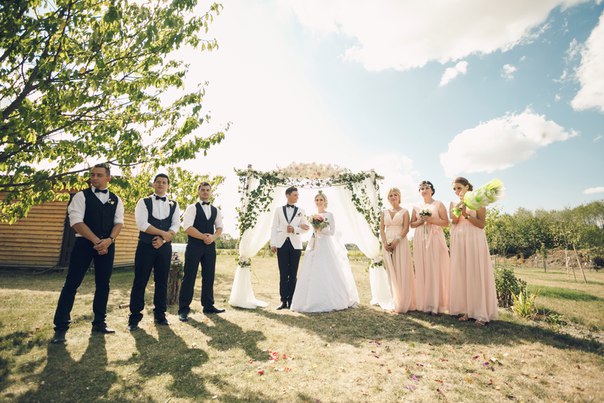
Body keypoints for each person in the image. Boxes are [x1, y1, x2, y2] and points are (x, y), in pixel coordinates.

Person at [51, 163, 124, 343]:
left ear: (108, 178)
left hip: (107, 245)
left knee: (103, 284)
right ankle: (61, 327)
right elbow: (76, 222)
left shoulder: (116, 199)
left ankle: (99, 322)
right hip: (84, 244)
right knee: (72, 283)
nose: (95, 178)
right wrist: (96, 241)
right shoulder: (80, 196)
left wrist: (109, 240)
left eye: (99, 175)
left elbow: (119, 223)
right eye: (93, 175)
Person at [290, 191, 359, 313]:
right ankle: (309, 299)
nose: (319, 202)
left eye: (321, 200)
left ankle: (332, 298)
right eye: (317, 200)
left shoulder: (329, 215)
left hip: (325, 243)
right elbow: (310, 229)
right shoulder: (312, 215)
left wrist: (321, 229)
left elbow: (332, 232)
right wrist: (313, 229)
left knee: (327, 268)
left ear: (325, 201)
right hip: (314, 242)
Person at [127, 174, 180, 331]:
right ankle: (134, 317)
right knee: (140, 281)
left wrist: (163, 239)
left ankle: (160, 315)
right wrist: (163, 234)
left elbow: (176, 225)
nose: (161, 184)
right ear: (154, 184)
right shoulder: (143, 202)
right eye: (158, 182)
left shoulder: (174, 204)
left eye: (164, 182)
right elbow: (142, 224)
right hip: (145, 247)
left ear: (168, 186)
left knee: (162, 281)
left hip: (164, 248)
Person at [449, 177, 498, 326]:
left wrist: (466, 215)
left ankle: (481, 313)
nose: (457, 191)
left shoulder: (479, 201)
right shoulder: (453, 203)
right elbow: (454, 221)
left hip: (474, 240)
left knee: (476, 273)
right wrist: (458, 210)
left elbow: (481, 224)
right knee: (463, 274)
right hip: (459, 240)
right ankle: (468, 311)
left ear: (467, 186)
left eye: (459, 188)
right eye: (454, 189)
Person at [178, 182, 225, 321]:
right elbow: (187, 227)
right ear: (198, 192)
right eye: (203, 190)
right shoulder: (192, 208)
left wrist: (213, 237)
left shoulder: (216, 210)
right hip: (194, 246)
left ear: (211, 192)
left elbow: (219, 228)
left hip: (210, 247)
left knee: (209, 276)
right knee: (189, 277)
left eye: (208, 190)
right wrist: (203, 237)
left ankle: (208, 306)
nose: (205, 192)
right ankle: (183, 309)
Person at [410, 180, 450, 315]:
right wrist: (421, 220)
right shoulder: (416, 206)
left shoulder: (439, 204)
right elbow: (412, 224)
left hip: (435, 237)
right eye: (421, 188)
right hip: (420, 238)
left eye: (426, 188)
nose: (424, 190)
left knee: (434, 268)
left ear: (432, 190)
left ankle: (436, 305)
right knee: (422, 268)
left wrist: (430, 220)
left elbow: (446, 222)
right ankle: (424, 303)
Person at [270, 186, 310, 309]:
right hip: (281, 244)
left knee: (293, 274)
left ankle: (292, 300)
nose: (297, 197)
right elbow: (274, 227)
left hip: (295, 245)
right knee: (283, 274)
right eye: (295, 195)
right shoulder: (278, 210)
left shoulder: (301, 211)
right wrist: (273, 243)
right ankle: (283, 301)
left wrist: (294, 229)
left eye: (297, 195)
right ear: (287, 195)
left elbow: (306, 228)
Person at [380, 188, 416, 313]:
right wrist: (385, 243)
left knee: (401, 270)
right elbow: (382, 229)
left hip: (400, 242)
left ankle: (403, 302)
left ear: (399, 197)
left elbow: (406, 229)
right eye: (390, 195)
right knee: (391, 271)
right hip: (387, 243)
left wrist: (396, 241)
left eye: (395, 195)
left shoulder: (405, 211)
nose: (393, 197)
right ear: (388, 198)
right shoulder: (384, 212)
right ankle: (395, 301)